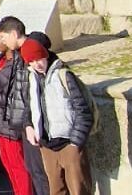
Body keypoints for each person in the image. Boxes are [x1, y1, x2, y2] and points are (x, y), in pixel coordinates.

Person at [23, 39, 94, 195]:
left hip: (69, 143)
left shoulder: (63, 75)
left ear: (45, 56)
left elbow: (83, 111)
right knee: (56, 190)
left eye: (39, 59)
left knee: (79, 190)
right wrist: (29, 125)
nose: (37, 64)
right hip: (47, 146)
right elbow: (30, 107)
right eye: (32, 61)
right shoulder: (32, 78)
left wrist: (76, 143)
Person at [0, 20, 51, 195]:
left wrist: (29, 122)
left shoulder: (28, 52)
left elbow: (32, 92)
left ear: (14, 34)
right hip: (26, 123)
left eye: (4, 37)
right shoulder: (18, 54)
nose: (3, 42)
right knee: (32, 169)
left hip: (35, 123)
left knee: (40, 173)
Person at [0, 17, 36, 195]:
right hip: (3, 120)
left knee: (20, 168)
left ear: (13, 34)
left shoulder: (23, 58)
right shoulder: (5, 59)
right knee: (10, 167)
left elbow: (15, 94)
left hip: (14, 122)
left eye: (2, 37)